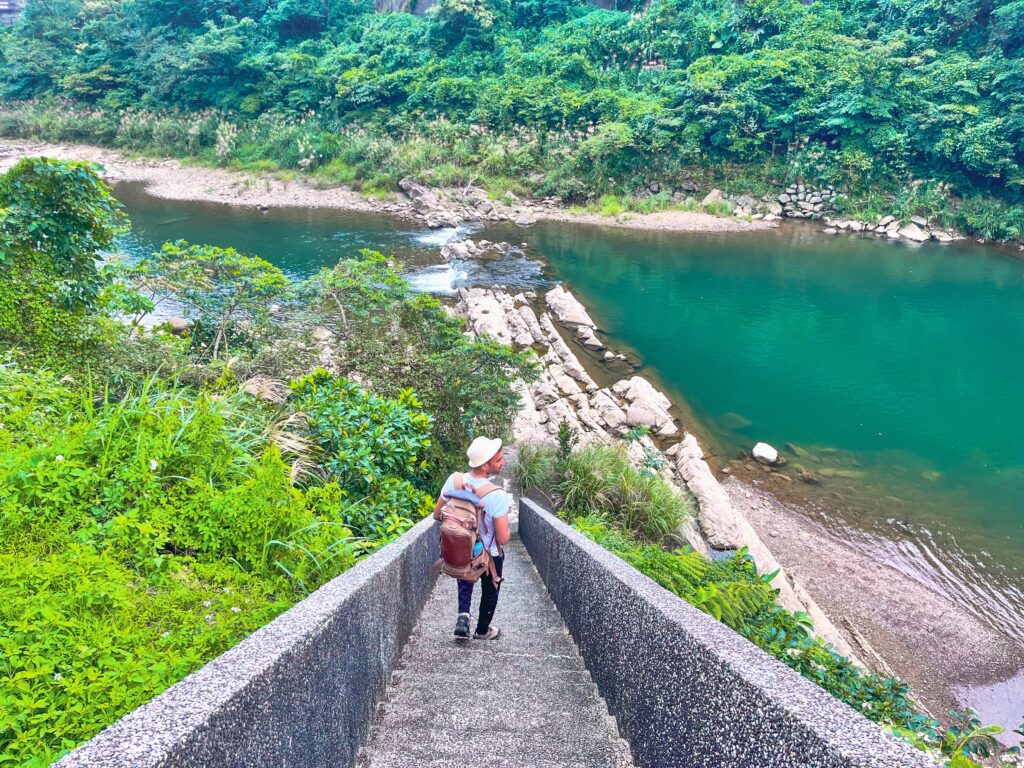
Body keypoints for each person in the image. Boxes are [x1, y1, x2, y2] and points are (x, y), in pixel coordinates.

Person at [433, 436, 511, 641]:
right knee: (490, 588)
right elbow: (503, 538)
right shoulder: (497, 495)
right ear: (485, 466)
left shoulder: (455, 480)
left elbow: (436, 514)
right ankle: (482, 630)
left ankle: (463, 616)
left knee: (464, 575)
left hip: (462, 548)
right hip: (488, 554)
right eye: (498, 460)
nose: (503, 462)